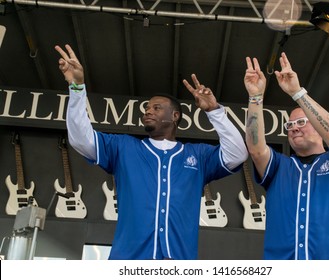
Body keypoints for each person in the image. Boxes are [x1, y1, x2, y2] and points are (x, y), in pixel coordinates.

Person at [54, 44, 247, 260]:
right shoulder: (124, 148)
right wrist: (77, 87)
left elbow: (237, 154)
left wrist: (214, 111)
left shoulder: (198, 156)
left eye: (156, 108)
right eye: (147, 107)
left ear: (175, 116)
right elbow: (81, 139)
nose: (148, 110)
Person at [244, 52, 329, 260]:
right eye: (290, 125)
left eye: (301, 123)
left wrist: (297, 92)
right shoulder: (280, 167)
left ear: (318, 127)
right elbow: (256, 148)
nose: (294, 129)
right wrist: (255, 96)